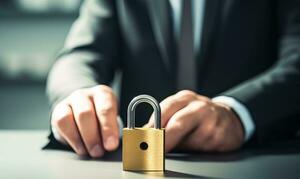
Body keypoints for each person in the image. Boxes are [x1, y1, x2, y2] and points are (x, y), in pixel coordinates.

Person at [46, 0, 300, 158]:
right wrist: (76, 93)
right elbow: (80, 54)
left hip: (258, 166)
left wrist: (237, 112)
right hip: (135, 170)